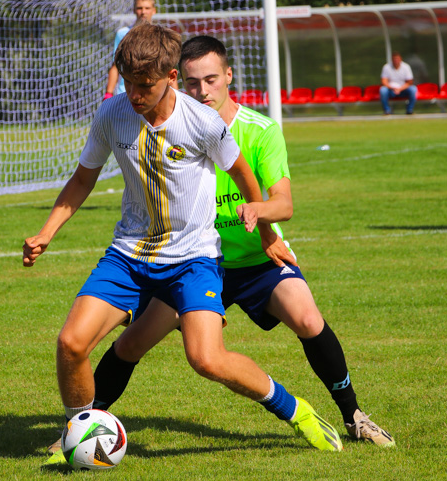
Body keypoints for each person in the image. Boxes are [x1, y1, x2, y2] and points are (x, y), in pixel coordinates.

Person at [44, 35, 393, 464]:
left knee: (294, 322)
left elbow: (274, 197)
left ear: (228, 77)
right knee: (119, 345)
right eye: (194, 82)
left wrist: (266, 229)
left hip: (242, 262)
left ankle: (349, 413)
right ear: (181, 81)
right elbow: (84, 178)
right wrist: (46, 231)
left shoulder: (245, 129)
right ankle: (79, 433)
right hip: (158, 257)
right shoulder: (122, 114)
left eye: (210, 79)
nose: (202, 90)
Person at [104, 0, 158, 100]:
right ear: (134, 10)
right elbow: (115, 66)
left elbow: (167, 68)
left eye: (147, 8)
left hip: (152, 93)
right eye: (139, 8)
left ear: (154, 10)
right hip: (126, 94)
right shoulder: (122, 33)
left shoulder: (160, 35)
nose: (143, 12)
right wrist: (108, 94)